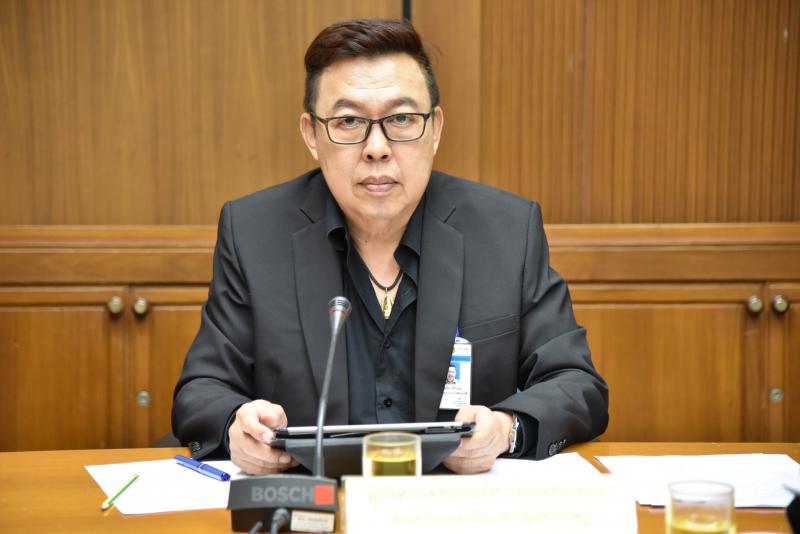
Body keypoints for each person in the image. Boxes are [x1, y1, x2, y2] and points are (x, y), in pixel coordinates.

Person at [172, 18, 608, 476]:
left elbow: (577, 383)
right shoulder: (255, 232)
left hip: (455, 501)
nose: (377, 148)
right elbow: (201, 390)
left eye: (401, 119)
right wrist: (235, 427)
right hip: (314, 498)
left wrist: (506, 428)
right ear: (311, 135)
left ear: (435, 129)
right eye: (348, 121)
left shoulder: (506, 230)